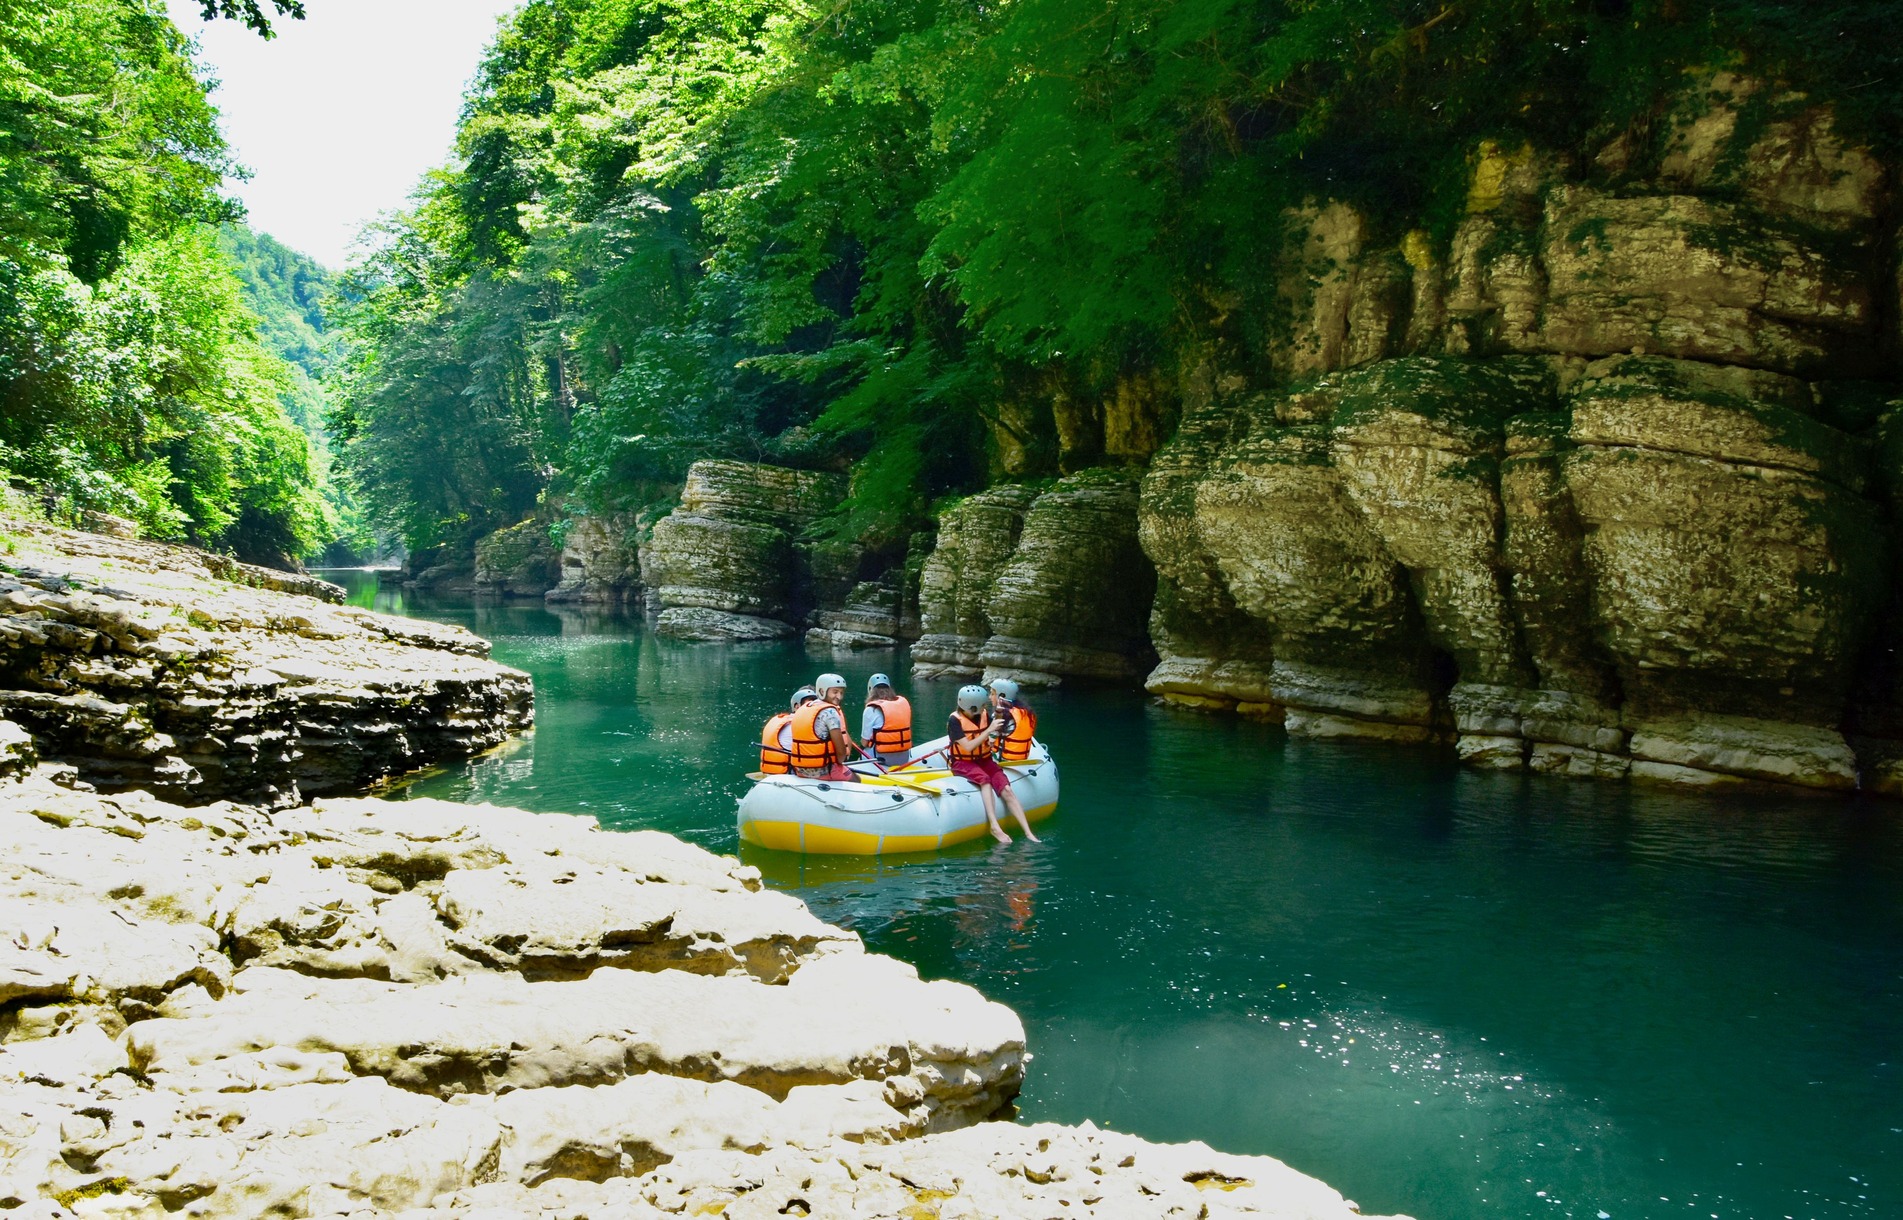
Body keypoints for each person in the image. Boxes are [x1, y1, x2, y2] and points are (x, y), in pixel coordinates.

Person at [948, 684, 1039, 844]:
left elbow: (992, 732)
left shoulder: (983, 714)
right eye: (983, 704)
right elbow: (968, 747)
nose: (986, 706)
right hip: (962, 762)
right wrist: (988, 731)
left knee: (1007, 789)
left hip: (985, 759)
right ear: (973, 706)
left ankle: (1028, 832)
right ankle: (994, 826)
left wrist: (992, 735)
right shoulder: (955, 720)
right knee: (984, 780)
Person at [788, 672, 861, 782]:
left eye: (841, 692)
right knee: (857, 780)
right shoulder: (830, 712)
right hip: (824, 770)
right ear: (822, 691)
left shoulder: (805, 708)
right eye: (835, 692)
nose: (839, 697)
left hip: (800, 769)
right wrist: (841, 762)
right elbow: (841, 754)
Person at [862, 672, 914, 769]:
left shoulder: (871, 709)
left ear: (870, 690)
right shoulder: (901, 706)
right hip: (904, 758)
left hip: (881, 759)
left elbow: (864, 742)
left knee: (864, 750)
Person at [760, 686, 816, 775]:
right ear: (797, 706)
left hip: (773, 771)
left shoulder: (782, 720)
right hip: (789, 773)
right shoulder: (801, 724)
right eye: (809, 704)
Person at [987, 676, 1037, 764]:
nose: (989, 697)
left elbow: (991, 740)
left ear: (1001, 696)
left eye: (992, 694)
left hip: (1004, 758)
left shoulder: (1000, 714)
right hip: (1022, 756)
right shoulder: (1025, 712)